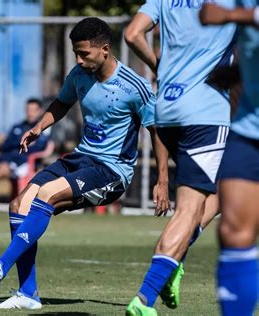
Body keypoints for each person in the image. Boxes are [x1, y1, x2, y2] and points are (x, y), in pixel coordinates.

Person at [0, 17, 170, 310]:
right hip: (81, 159)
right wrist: (38, 127)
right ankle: (28, 294)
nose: (79, 60)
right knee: (19, 205)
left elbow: (157, 132)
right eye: (76, 54)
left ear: (105, 50)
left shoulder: (135, 87)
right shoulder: (79, 75)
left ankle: (2, 264)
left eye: (84, 54)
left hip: (112, 171)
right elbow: (61, 103)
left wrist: (163, 181)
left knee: (47, 194)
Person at [124, 0, 236, 314]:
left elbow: (133, 34)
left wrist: (160, 67)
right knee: (188, 209)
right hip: (206, 114)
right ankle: (144, 299)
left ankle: (174, 259)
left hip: (168, 109)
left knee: (218, 193)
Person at [200, 2, 259, 315]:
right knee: (233, 231)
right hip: (249, 130)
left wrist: (230, 16)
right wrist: (239, 72)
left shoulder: (235, 9)